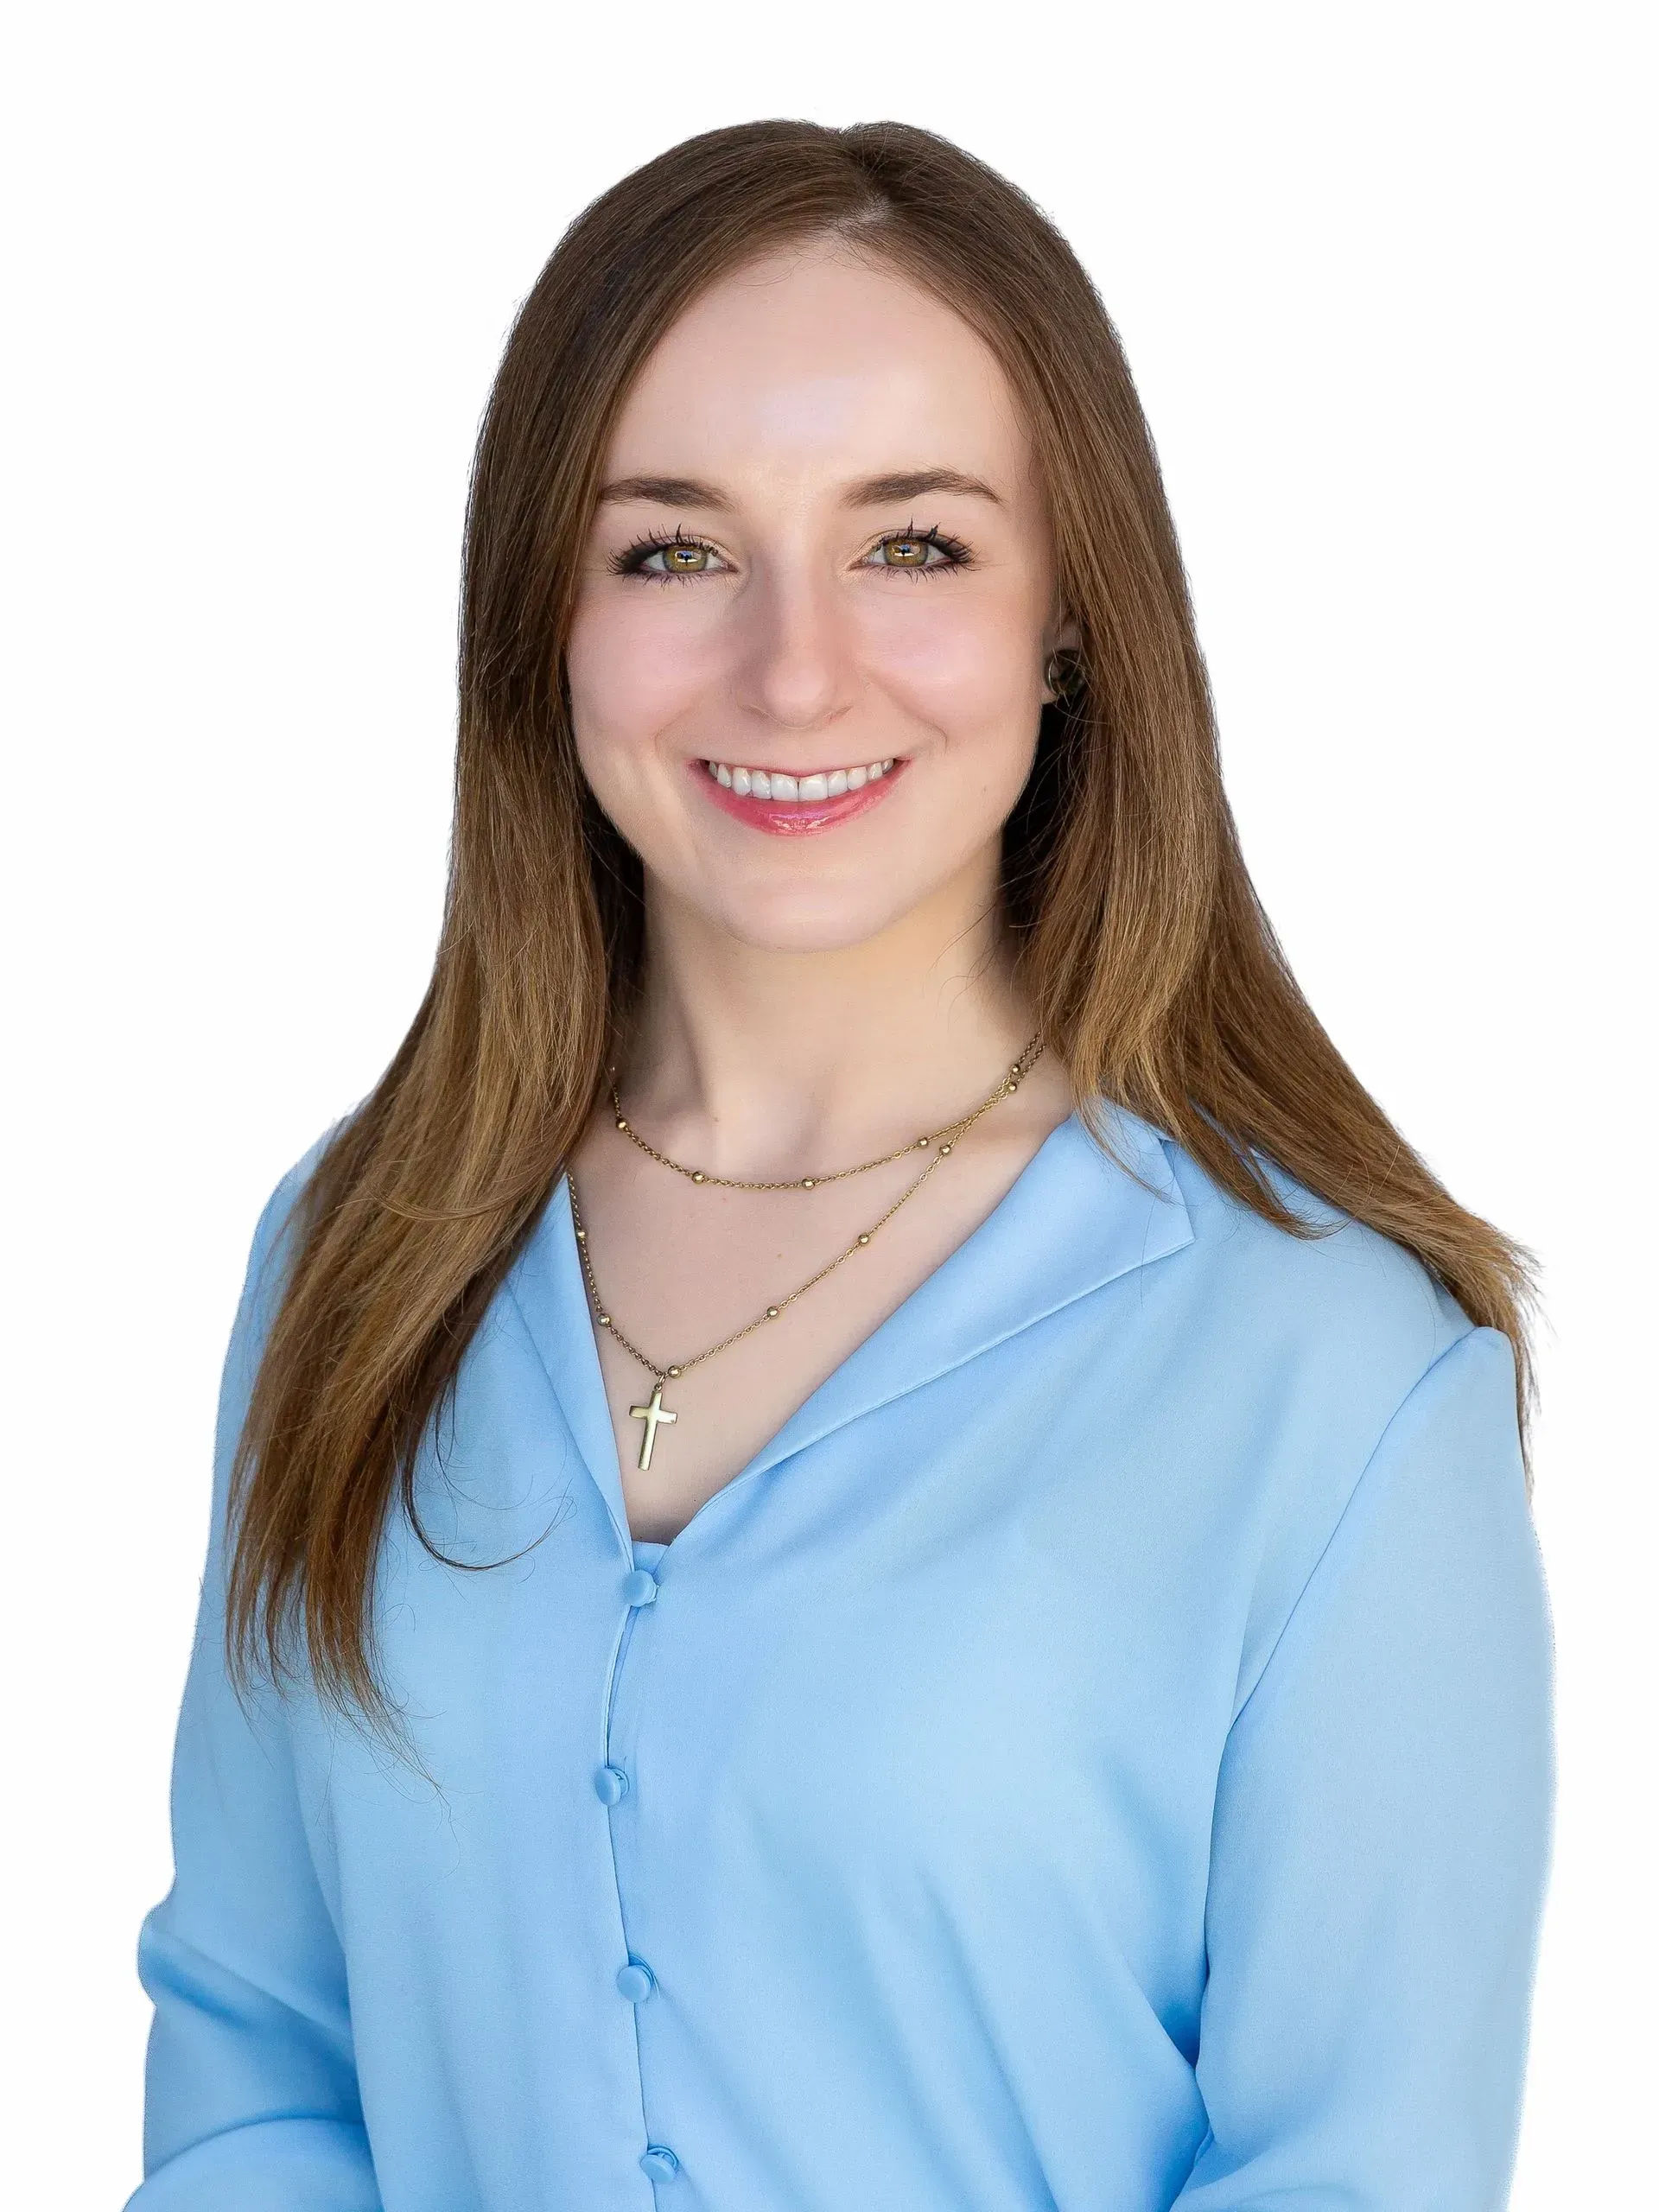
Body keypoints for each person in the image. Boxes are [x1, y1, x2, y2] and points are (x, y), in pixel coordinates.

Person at [130, 120, 1554, 2211]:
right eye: (672, 552)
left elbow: (1358, 2169)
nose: (794, 670)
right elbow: (260, 2058)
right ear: (546, 621)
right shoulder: (357, 1254)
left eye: (914, 545)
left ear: (1071, 619)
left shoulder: (1336, 1374)